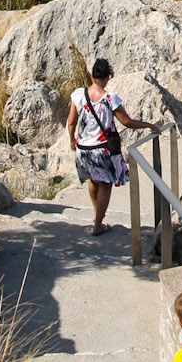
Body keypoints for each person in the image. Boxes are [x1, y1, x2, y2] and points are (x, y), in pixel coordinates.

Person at [66, 56, 159, 236]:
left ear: (92, 76)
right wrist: (148, 125)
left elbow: (71, 122)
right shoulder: (110, 98)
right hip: (102, 149)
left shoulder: (78, 95)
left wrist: (72, 140)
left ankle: (96, 216)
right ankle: (98, 224)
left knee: (93, 180)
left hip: (83, 148)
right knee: (106, 184)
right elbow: (127, 122)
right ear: (108, 77)